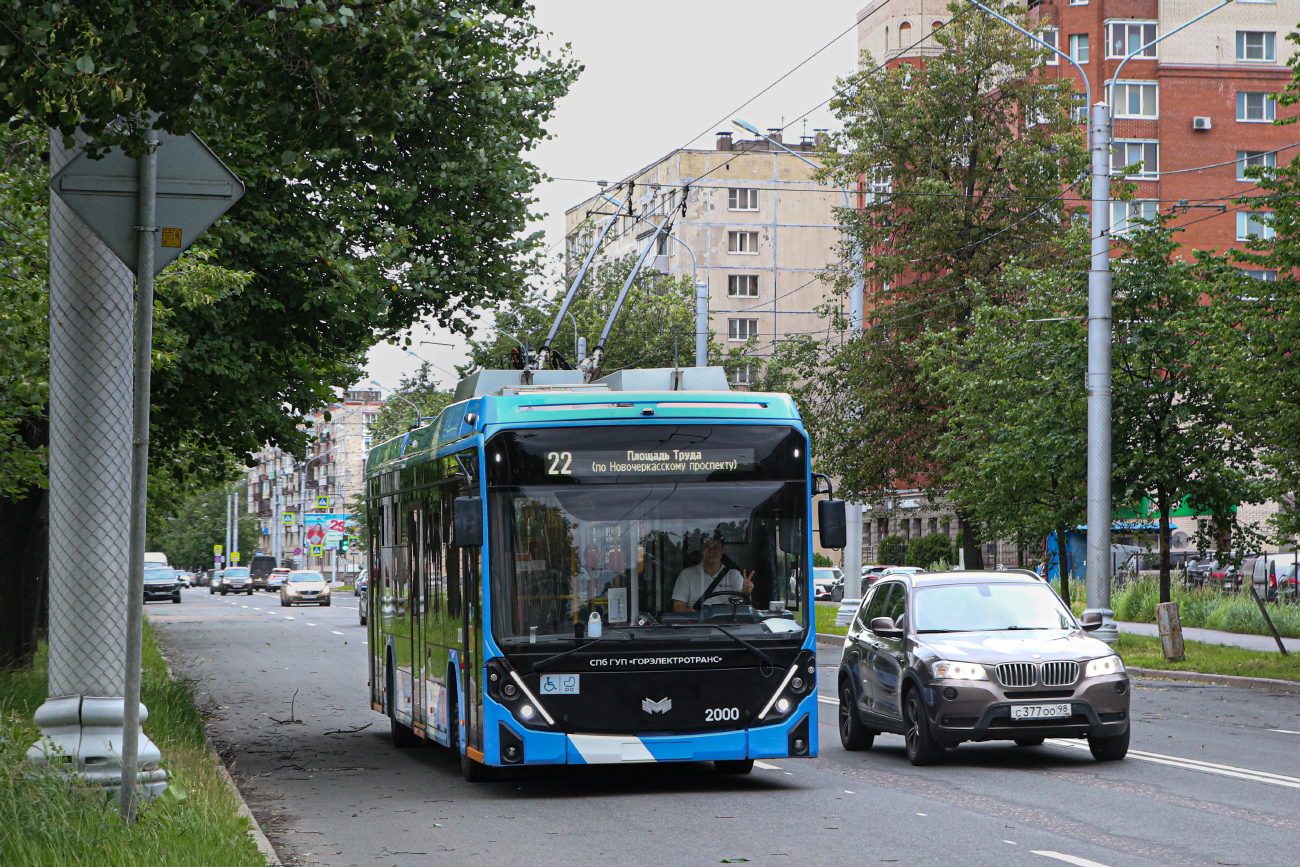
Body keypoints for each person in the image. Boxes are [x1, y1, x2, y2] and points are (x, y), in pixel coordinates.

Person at [672, 532, 753, 612]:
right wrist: (691, 612)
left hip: (727, 621)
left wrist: (746, 594)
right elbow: (678, 607)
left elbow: (742, 608)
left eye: (715, 547)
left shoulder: (734, 575)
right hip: (697, 622)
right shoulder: (686, 574)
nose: (711, 551)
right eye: (707, 547)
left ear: (722, 550)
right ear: (701, 550)